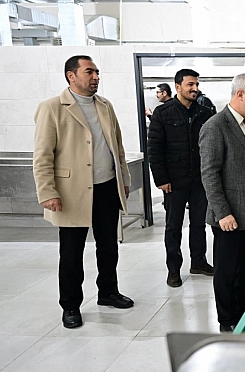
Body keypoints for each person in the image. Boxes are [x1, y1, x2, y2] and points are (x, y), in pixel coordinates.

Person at [33, 55, 134, 329]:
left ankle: (108, 292)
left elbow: (118, 148)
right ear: (71, 76)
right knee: (71, 253)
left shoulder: (105, 105)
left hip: (106, 189)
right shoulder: (53, 108)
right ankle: (70, 306)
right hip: (71, 192)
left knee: (108, 247)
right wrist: (47, 192)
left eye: (97, 72)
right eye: (89, 72)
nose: (96, 77)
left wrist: (123, 179)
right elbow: (42, 156)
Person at [199, 73, 245, 332]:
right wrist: (223, 213)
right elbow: (209, 174)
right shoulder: (215, 126)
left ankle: (243, 308)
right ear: (240, 94)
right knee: (228, 271)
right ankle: (226, 320)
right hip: (230, 216)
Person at [148, 69, 215, 287]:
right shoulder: (163, 113)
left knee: (199, 224)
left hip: (199, 181)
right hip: (173, 183)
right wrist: (161, 179)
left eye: (196, 84)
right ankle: (173, 269)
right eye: (190, 85)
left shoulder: (205, 113)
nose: (195, 88)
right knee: (173, 226)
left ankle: (198, 262)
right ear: (177, 87)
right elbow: (154, 149)